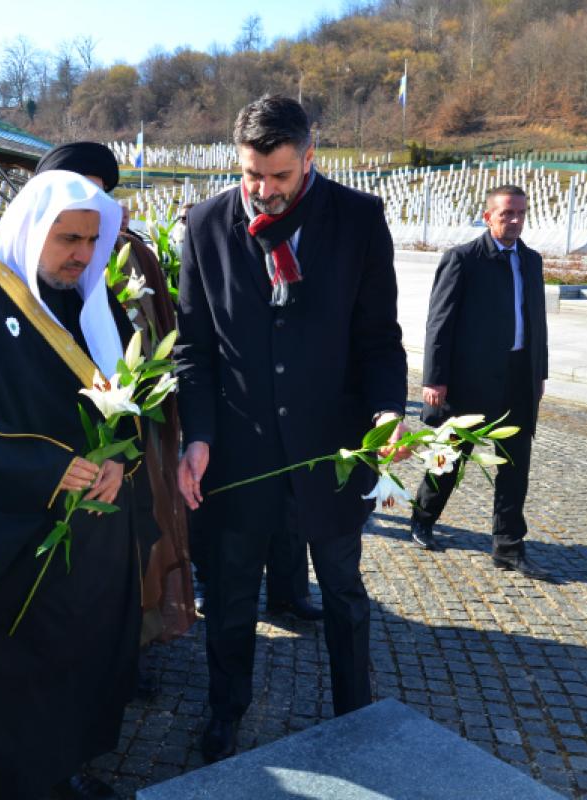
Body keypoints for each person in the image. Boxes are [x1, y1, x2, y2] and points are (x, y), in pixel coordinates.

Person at [175, 95, 408, 763]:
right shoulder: (207, 224)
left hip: (331, 447)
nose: (264, 191)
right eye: (252, 174)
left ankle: (352, 712)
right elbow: (194, 347)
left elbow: (378, 339)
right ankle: (226, 708)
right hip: (239, 453)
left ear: (311, 157)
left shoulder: (358, 219)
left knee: (342, 589)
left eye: (280, 176)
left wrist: (387, 411)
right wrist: (199, 435)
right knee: (230, 592)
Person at [0, 170, 139, 799]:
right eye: (68, 238)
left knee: (75, 664)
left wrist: (124, 459)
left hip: (86, 537)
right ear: (34, 228)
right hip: (4, 540)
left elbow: (128, 400)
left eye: (92, 240)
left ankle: (58, 772)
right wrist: (44, 469)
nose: (82, 255)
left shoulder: (89, 296)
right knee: (3, 675)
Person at [36, 140, 196, 701]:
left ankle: (134, 641)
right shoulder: (18, 269)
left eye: (99, 194)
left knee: (138, 537)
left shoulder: (129, 252)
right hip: (52, 451)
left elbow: (157, 330)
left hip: (127, 432)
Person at [411, 184, 551, 580]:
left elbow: (537, 321)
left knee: (514, 465)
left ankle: (508, 547)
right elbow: (439, 322)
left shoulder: (532, 261)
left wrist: (539, 372)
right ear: (488, 215)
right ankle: (422, 518)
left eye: (521, 213)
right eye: (507, 213)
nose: (515, 220)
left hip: (518, 379)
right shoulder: (463, 259)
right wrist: (435, 379)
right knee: (448, 459)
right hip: (468, 382)